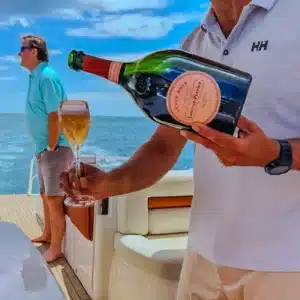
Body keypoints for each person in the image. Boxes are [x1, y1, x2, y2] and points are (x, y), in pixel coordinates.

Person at [60, 0, 300, 298]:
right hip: (203, 257)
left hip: (286, 264)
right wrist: (109, 183)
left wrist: (275, 153)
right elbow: (163, 146)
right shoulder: (193, 45)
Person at [19, 34, 74, 263]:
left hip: (55, 149)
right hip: (43, 149)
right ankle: (47, 234)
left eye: (22, 49)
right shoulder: (35, 77)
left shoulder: (47, 76)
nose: (18, 53)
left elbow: (54, 113)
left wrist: (51, 145)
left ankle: (56, 248)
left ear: (34, 51)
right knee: (45, 195)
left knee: (54, 199)